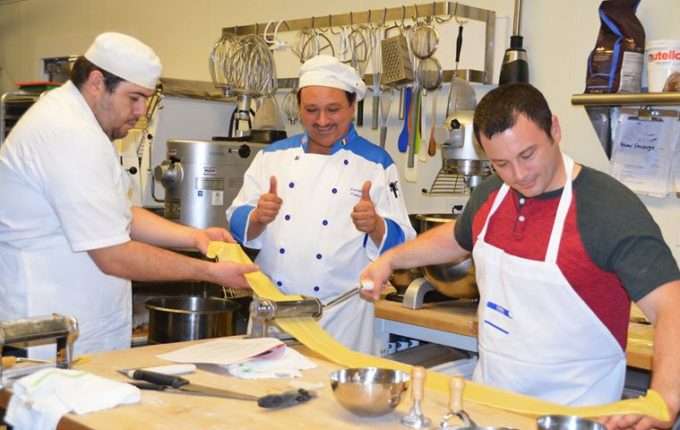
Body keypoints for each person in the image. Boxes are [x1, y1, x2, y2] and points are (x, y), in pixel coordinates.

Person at [360, 83, 680, 429]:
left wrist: (664, 398)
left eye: (528, 155)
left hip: (575, 416)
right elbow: (457, 237)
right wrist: (391, 259)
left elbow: (671, 306)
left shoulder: (609, 209)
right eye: (502, 163)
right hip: (492, 409)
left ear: (554, 129)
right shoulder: (491, 194)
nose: (519, 175)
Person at [0, 32, 258, 358]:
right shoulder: (66, 134)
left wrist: (197, 238)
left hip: (76, 324)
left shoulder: (87, 128)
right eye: (133, 97)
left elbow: (121, 213)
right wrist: (208, 272)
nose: (141, 111)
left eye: (146, 99)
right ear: (96, 82)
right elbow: (113, 254)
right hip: (45, 334)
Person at [227, 55, 416, 354]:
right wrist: (257, 217)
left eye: (333, 110)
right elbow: (236, 223)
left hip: (340, 317)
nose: (322, 120)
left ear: (352, 107)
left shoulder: (376, 163)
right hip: (274, 314)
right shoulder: (272, 157)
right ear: (299, 108)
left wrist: (377, 226)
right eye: (312, 110)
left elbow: (404, 243)